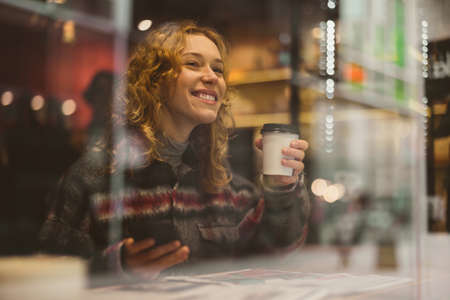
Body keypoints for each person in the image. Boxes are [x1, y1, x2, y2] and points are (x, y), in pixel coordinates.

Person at [39, 20, 310, 285]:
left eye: (218, 69)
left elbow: (274, 252)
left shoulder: (220, 181)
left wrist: (281, 190)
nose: (212, 76)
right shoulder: (94, 177)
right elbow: (45, 275)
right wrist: (118, 265)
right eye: (193, 63)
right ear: (153, 81)